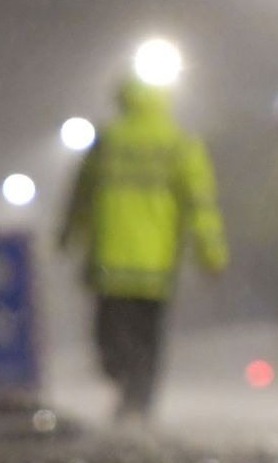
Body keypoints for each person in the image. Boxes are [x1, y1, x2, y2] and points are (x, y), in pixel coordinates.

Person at [59, 74, 227, 424]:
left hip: (111, 262)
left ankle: (123, 380)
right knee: (148, 335)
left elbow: (79, 197)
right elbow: (200, 205)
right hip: (156, 264)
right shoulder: (179, 145)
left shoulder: (108, 142)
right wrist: (211, 253)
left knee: (112, 335)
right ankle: (139, 397)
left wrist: (66, 236)